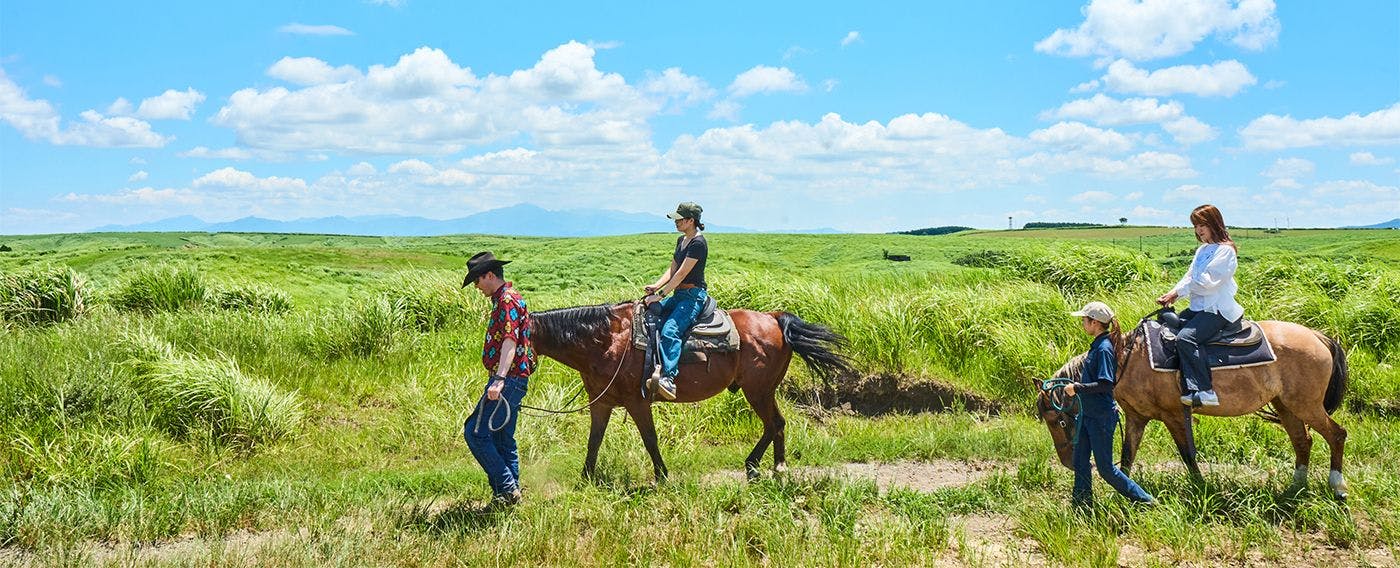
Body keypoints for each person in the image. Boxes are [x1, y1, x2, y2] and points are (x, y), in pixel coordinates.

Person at [1064, 301, 1156, 508]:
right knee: (1080, 462)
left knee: (1106, 469)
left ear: (1094, 322)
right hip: (1088, 415)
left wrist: (1077, 388)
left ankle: (1146, 501)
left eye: (1084, 320)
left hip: (1100, 418)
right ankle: (1082, 506)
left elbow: (1106, 384)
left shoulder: (1104, 349)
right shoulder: (1098, 345)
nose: (1082, 324)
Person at [461, 251, 536, 506]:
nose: (476, 287)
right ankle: (509, 497)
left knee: (475, 433)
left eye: (477, 281)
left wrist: (499, 379)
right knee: (503, 437)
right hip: (514, 378)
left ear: (490, 275)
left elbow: (509, 340)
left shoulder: (506, 300)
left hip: (508, 379)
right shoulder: (507, 298)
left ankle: (506, 489)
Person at [1156, 204, 1242, 407]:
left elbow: (1207, 283)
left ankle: (1205, 390)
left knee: (1186, 339)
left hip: (1216, 309)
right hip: (1198, 308)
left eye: (1203, 224)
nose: (1199, 230)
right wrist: (1173, 294)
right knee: (1165, 323)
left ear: (1214, 223)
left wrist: (1183, 289)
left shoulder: (1226, 251)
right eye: (1196, 225)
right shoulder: (1203, 250)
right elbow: (1189, 277)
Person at [643, 202, 709, 401]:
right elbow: (672, 270)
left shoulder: (698, 243)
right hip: (678, 295)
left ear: (691, 220)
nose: (676, 222)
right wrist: (656, 286)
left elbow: (681, 275)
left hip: (692, 297)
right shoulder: (681, 240)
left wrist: (660, 295)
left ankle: (669, 378)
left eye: (680, 219)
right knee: (648, 316)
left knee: (671, 330)